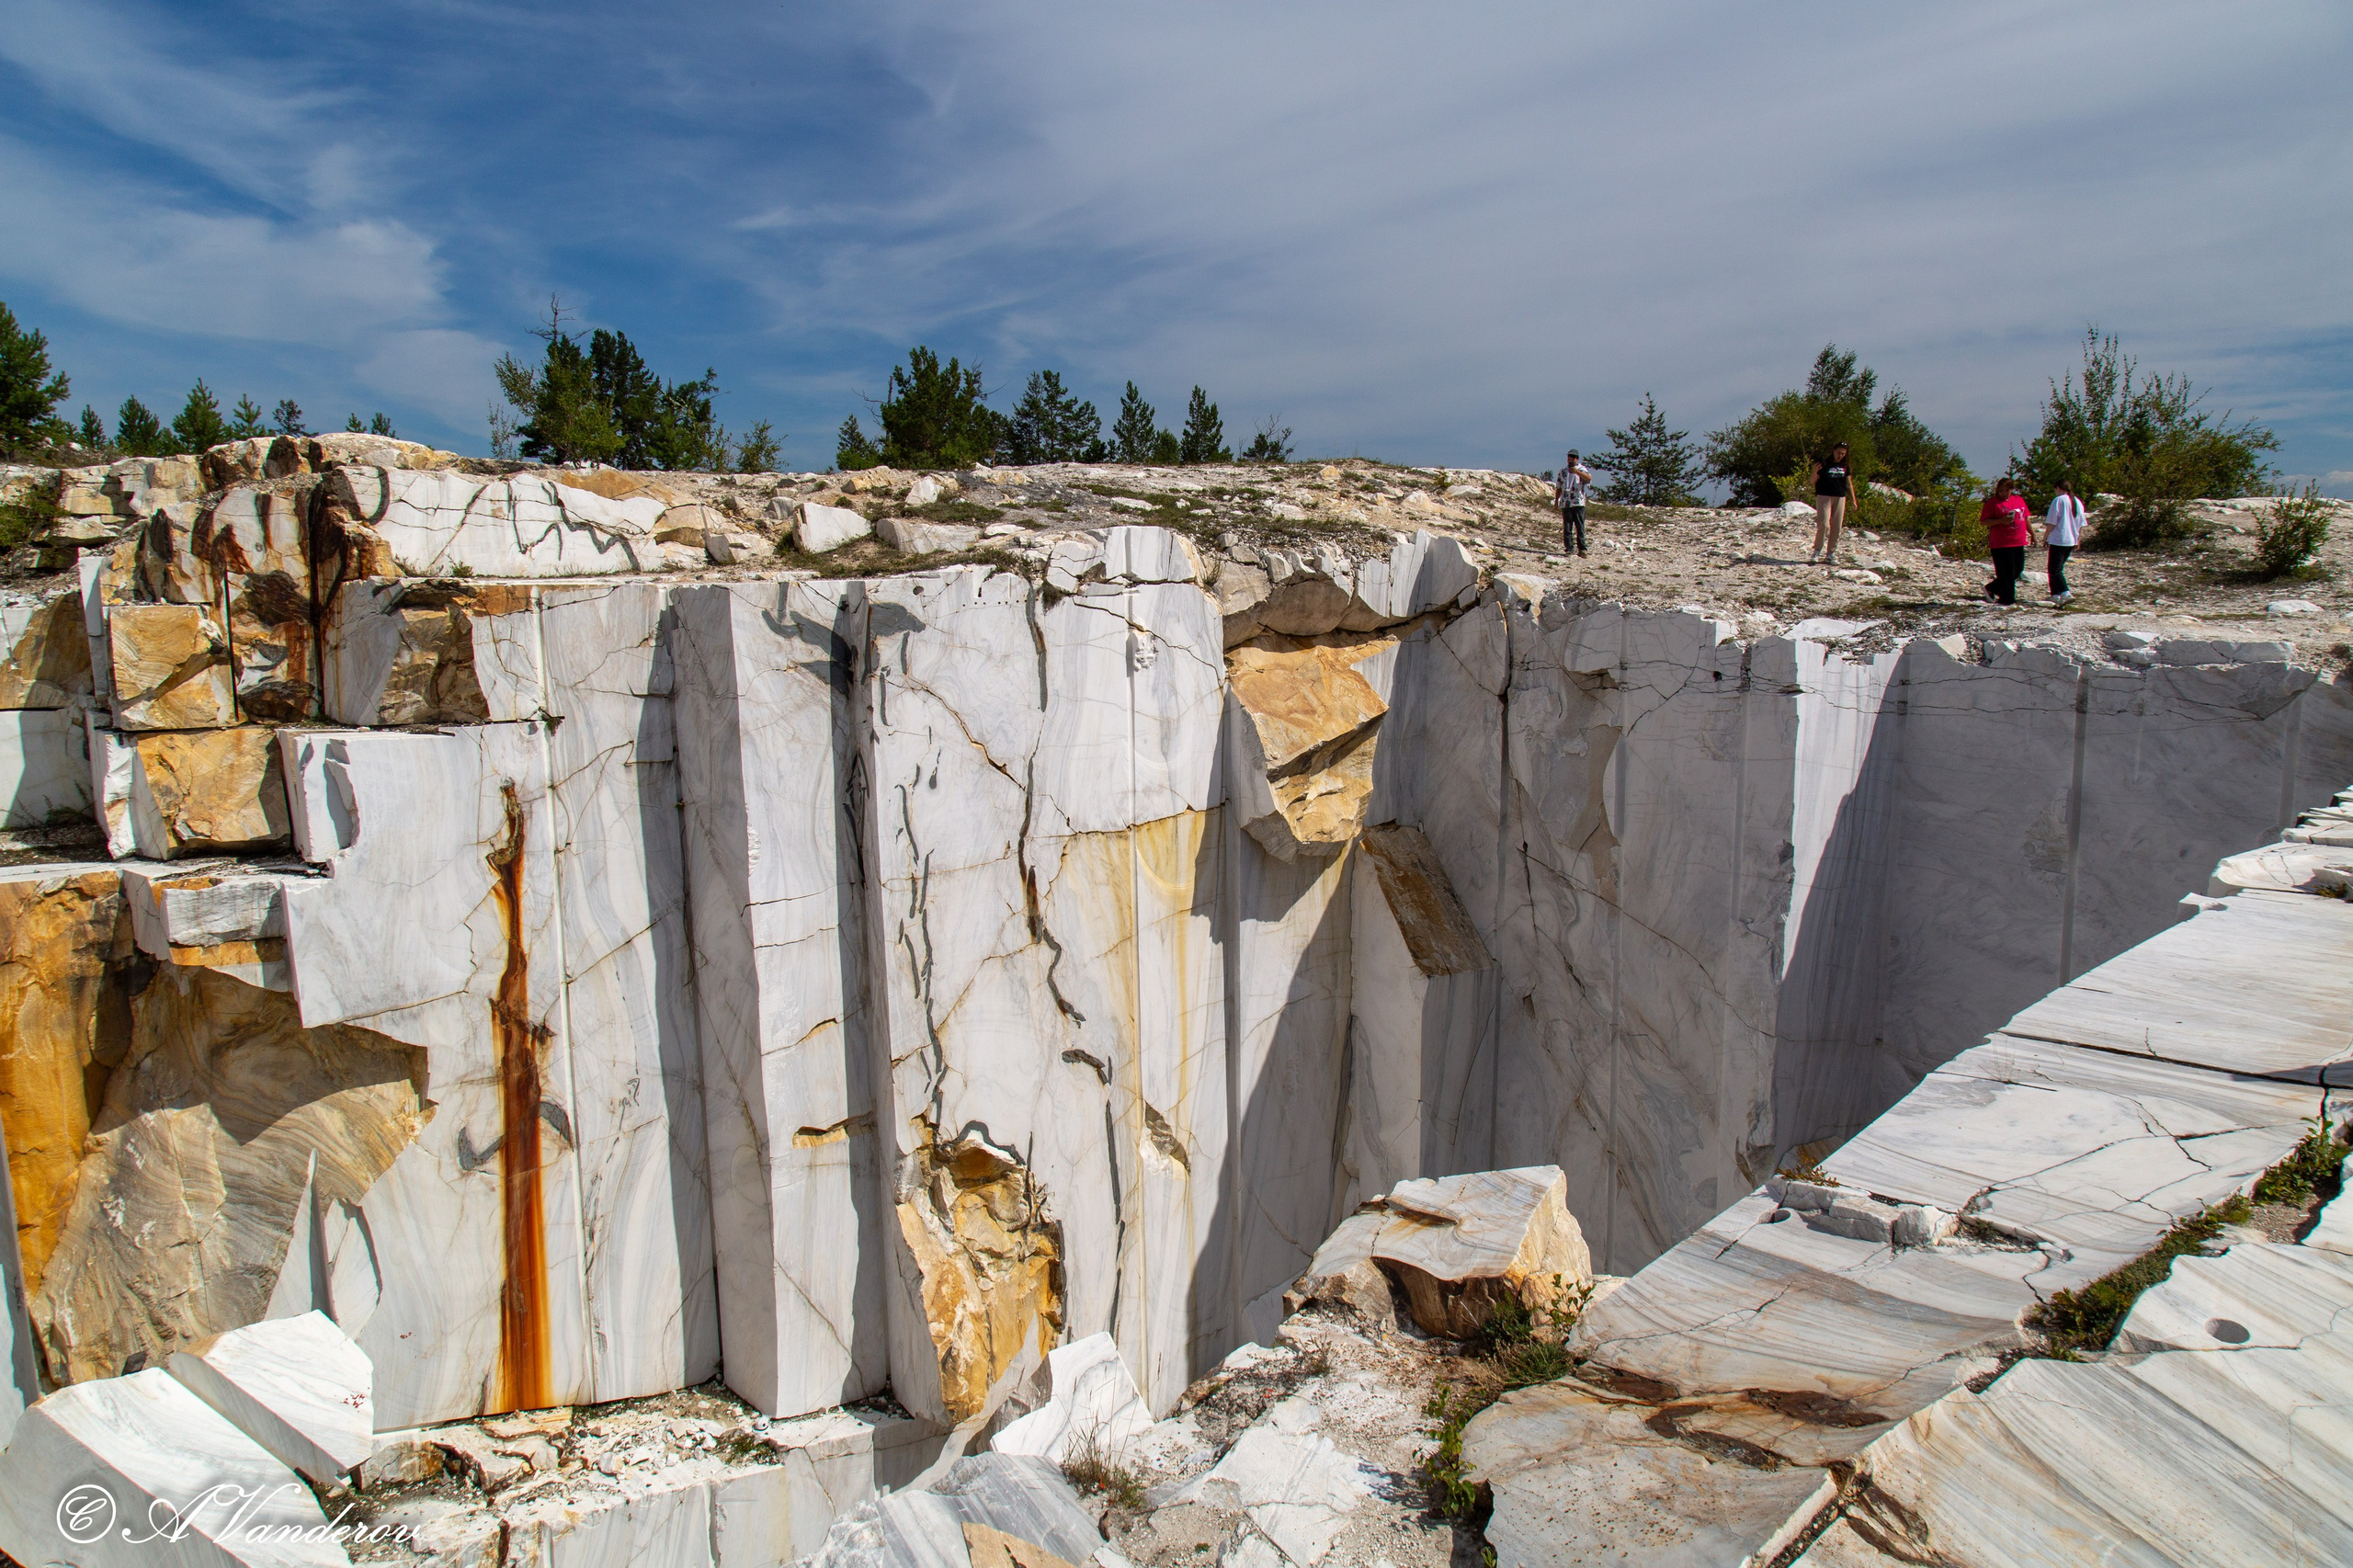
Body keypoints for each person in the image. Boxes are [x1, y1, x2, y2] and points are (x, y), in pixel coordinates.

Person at [1980, 476, 2033, 605]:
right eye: (2001, 491)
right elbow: (1983, 522)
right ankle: (2007, 599)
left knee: (2018, 569)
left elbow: (2026, 518)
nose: (2003, 493)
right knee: (2006, 571)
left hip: (2018, 540)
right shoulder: (1993, 502)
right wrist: (2000, 521)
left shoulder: (2019, 500)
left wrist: (2032, 534)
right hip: (2001, 542)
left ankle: (1992, 588)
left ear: (2011, 490)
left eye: (2006, 490)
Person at [1808, 442, 1858, 562]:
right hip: (1824, 496)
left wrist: (1853, 500)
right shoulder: (1824, 463)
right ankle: (1817, 551)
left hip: (1840, 497)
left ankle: (1830, 553)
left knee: (1837, 526)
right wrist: (1815, 471)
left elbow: (1848, 483)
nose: (1840, 455)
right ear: (1833, 451)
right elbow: (1812, 481)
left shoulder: (1845, 465)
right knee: (1824, 524)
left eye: (1843, 454)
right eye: (1838, 452)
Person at [2042, 479, 2086, 605]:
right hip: (2071, 539)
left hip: (2059, 539)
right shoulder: (2077, 502)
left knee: (2054, 569)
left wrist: (2045, 536)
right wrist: (2078, 538)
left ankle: (2065, 592)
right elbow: (2080, 523)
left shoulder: (2059, 500)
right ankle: (2055, 594)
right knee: (2056, 568)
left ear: (2059, 488)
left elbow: (2052, 521)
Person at [1554, 449, 1593, 557]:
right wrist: (1556, 500)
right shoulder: (1563, 471)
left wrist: (1577, 472)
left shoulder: (1581, 469)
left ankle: (1582, 549)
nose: (1570, 459)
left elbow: (1589, 478)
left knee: (1580, 526)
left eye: (1573, 457)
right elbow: (1558, 487)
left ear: (1577, 459)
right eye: (1569, 457)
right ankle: (1569, 548)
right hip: (1566, 502)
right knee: (1567, 526)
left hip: (1578, 501)